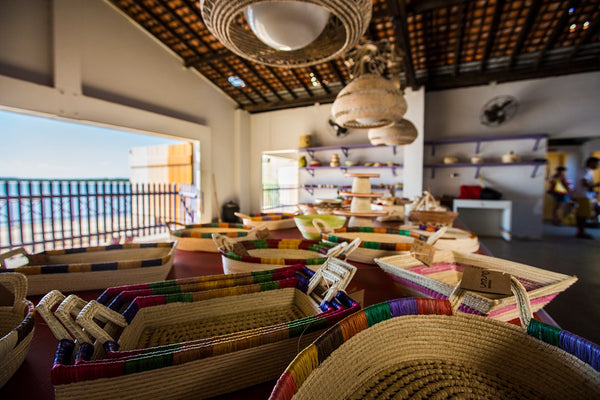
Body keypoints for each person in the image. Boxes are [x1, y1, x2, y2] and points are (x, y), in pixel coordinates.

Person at [573, 157, 600, 239]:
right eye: (597, 164)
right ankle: (581, 232)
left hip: (587, 195)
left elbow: (588, 184)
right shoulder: (584, 171)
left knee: (587, 213)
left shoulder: (589, 171)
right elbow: (584, 183)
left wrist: (594, 192)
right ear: (591, 163)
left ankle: (581, 231)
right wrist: (596, 185)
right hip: (582, 195)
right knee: (582, 215)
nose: (598, 165)